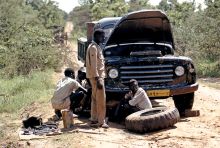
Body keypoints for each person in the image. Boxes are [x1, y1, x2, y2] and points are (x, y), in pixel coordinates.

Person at [86, 29, 109, 128]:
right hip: (97, 78)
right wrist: (98, 78)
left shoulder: (95, 47)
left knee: (95, 99)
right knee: (101, 100)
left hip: (96, 77)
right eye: (102, 36)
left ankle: (94, 119)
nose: (104, 38)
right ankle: (101, 121)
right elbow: (94, 64)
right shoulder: (94, 48)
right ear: (96, 36)